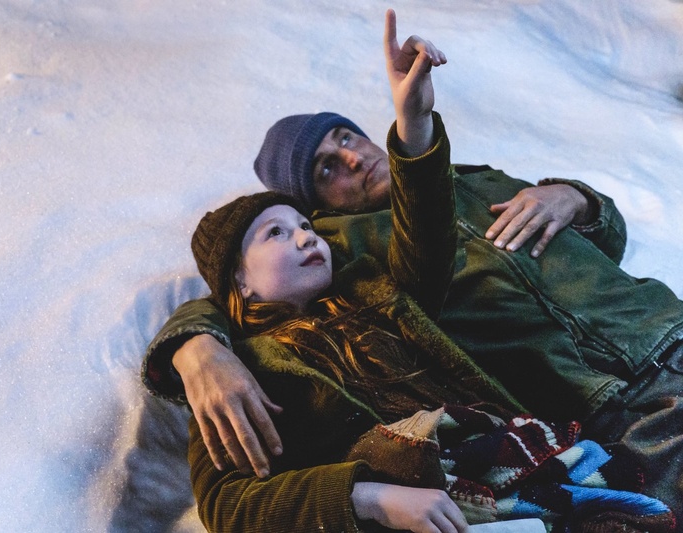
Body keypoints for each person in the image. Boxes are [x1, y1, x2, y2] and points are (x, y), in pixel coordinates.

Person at [143, 9, 683, 528]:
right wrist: (195, 348)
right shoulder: (351, 256)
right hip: (607, 401)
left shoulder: (472, 177)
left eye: (346, 137)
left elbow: (608, 241)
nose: (352, 157)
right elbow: (230, 296)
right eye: (327, 169)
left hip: (662, 327)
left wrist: (576, 198)